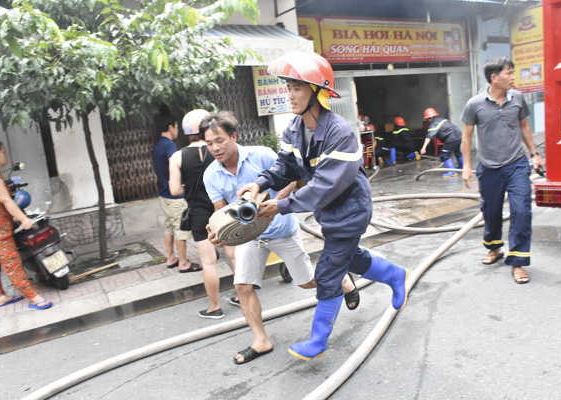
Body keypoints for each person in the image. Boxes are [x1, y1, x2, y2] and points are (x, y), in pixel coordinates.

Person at [238, 51, 409, 361]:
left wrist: (282, 205)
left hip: (351, 210)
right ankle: (396, 275)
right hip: (330, 211)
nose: (290, 95)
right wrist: (260, 183)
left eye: (297, 88)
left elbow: (326, 185)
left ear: (318, 92)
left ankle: (317, 341)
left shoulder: (339, 132)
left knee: (329, 272)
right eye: (288, 87)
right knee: (350, 259)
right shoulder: (294, 128)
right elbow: (285, 166)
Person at [202, 111, 359, 364]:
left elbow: (293, 177)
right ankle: (261, 341)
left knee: (308, 283)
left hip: (282, 230)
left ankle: (342, 281)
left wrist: (277, 204)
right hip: (249, 238)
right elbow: (220, 212)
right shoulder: (211, 174)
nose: (215, 148)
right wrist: (219, 233)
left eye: (219, 140)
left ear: (233, 136)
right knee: (242, 287)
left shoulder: (261, 154)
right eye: (209, 143)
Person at [461, 56, 544, 284]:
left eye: (512, 73)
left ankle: (517, 261)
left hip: (516, 164)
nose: (513, 78)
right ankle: (494, 247)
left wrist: (535, 154)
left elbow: (525, 126)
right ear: (494, 77)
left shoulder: (517, 98)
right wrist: (467, 167)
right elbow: (466, 137)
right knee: (491, 211)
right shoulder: (474, 104)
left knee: (521, 210)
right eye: (508, 73)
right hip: (489, 167)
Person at [169, 109, 235, 319]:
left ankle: (215, 307)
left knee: (208, 262)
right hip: (223, 209)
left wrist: (189, 186)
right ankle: (244, 295)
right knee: (233, 255)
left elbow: (174, 191)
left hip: (198, 213)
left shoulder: (178, 156)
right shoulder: (221, 150)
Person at [0, 141, 52, 310]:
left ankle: (0, 297)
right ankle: (34, 298)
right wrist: (23, 219)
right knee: (13, 265)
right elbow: (5, 200)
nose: (5, 155)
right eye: (2, 152)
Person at [152, 113, 193, 272]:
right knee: (180, 229)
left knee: (169, 227)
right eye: (176, 127)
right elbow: (174, 164)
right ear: (171, 127)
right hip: (174, 196)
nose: (178, 131)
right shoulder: (169, 145)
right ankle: (183, 263)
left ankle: (171, 258)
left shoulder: (157, 146)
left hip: (163, 194)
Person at [420, 108, 463, 177]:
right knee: (457, 152)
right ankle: (461, 168)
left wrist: (424, 147)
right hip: (458, 136)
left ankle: (452, 172)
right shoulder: (442, 119)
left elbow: (429, 136)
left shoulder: (433, 124)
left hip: (451, 138)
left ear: (428, 118)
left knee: (444, 154)